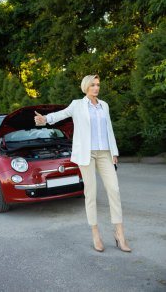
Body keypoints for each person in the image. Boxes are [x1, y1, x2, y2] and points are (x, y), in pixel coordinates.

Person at [34, 74, 131, 253]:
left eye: (98, 85)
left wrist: (114, 152)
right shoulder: (77, 105)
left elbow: (109, 129)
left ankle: (119, 234)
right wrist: (45, 119)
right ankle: (96, 234)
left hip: (105, 153)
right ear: (86, 87)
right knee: (91, 193)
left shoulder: (104, 106)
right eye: (93, 85)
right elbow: (61, 115)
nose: (96, 88)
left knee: (114, 191)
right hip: (87, 155)